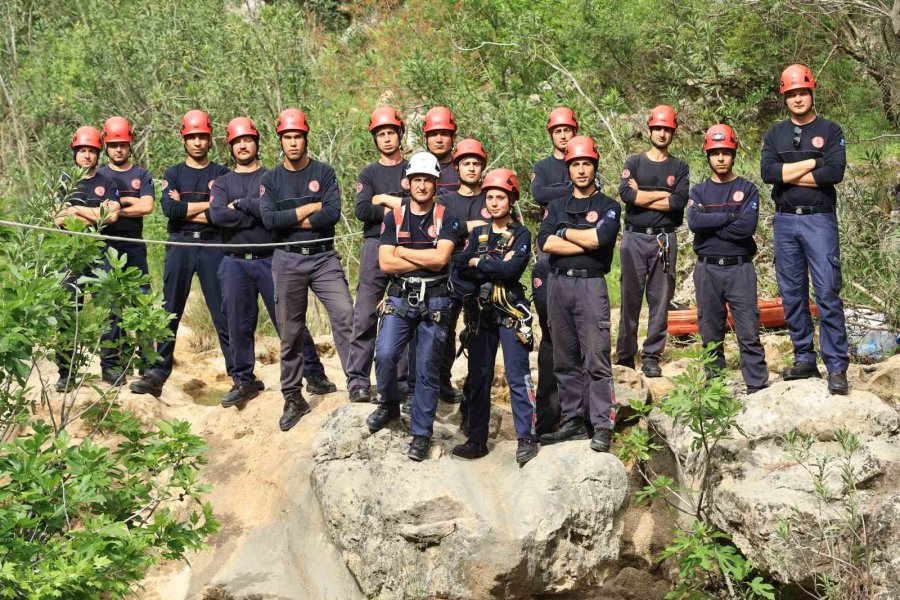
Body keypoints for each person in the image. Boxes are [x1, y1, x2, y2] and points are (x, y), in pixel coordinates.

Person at [209, 116, 335, 408]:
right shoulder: (223, 182)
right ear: (230, 146)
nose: (243, 145)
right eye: (237, 141)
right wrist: (261, 214)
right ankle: (244, 381)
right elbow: (218, 216)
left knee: (289, 321)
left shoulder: (272, 178)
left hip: (271, 258)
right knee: (237, 323)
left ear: (257, 143)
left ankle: (314, 373)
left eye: (248, 140)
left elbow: (274, 219)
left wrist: (248, 209)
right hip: (234, 261)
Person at [260, 108, 355, 431]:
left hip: (323, 257)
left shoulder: (324, 173)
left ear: (305, 138)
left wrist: (293, 219)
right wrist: (310, 208)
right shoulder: (271, 179)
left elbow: (332, 214)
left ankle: (356, 382)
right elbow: (270, 221)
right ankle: (292, 396)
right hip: (287, 259)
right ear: (280, 140)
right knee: (290, 330)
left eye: (297, 136)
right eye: (287, 137)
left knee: (345, 314)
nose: (293, 142)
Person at [129, 110, 232, 398]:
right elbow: (170, 210)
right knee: (170, 309)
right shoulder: (173, 173)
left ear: (210, 139)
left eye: (202, 137)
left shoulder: (222, 174)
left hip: (213, 245)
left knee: (222, 311)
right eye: (192, 137)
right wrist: (208, 205)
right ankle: (156, 374)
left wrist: (189, 208)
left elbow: (223, 213)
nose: (197, 142)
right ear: (183, 139)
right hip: (180, 244)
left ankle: (239, 374)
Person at [760, 64, 849, 394]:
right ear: (784, 97)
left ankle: (836, 366)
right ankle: (804, 359)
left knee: (826, 291)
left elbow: (834, 173)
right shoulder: (775, 133)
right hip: (785, 220)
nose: (797, 99)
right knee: (792, 293)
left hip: (819, 219)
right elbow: (768, 173)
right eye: (791, 94)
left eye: (802, 92)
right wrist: (814, 162)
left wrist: (788, 173)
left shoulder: (830, 130)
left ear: (812, 92)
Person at [365, 152, 458, 461]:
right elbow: (385, 262)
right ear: (408, 183)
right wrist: (421, 258)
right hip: (400, 296)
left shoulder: (446, 217)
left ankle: (421, 433)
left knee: (427, 368)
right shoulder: (394, 217)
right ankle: (389, 403)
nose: (422, 185)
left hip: (435, 298)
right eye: (417, 180)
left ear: (435, 183)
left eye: (427, 180)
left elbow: (440, 259)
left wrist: (403, 252)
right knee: (385, 354)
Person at [537, 136, 621, 453]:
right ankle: (573, 420)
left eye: (586, 163)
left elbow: (602, 239)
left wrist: (565, 232)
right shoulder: (557, 205)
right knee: (564, 357)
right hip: (558, 285)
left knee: (596, 358)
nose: (581, 170)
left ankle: (601, 424)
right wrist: (584, 240)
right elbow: (546, 242)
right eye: (575, 164)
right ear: (568, 168)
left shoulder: (608, 206)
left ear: (594, 166)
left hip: (590, 285)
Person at [452, 168, 538, 465]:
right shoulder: (478, 233)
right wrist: (491, 264)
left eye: (500, 197)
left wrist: (480, 262)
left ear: (511, 199)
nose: (494, 202)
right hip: (480, 312)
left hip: (510, 312)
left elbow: (512, 271)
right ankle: (476, 439)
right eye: (489, 197)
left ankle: (526, 437)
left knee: (517, 375)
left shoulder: (521, 234)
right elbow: (460, 268)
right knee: (479, 375)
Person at [687, 124, 768, 394]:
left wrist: (711, 223)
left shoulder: (747, 188)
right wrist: (731, 216)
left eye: (725, 152)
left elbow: (746, 228)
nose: (720, 158)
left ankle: (756, 385)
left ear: (733, 154)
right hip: (707, 269)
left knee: (748, 330)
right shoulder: (698, 191)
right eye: (715, 153)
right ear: (707, 156)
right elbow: (694, 222)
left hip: (740, 269)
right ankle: (715, 388)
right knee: (710, 332)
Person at [616, 105, 689, 377]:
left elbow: (679, 201)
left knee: (660, 300)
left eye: (667, 129)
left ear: (673, 133)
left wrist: (643, 196)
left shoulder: (679, 166)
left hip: (664, 239)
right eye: (657, 128)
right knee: (630, 299)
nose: (661, 133)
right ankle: (625, 356)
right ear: (649, 130)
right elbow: (627, 194)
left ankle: (651, 356)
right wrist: (663, 196)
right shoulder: (634, 162)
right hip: (634, 237)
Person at [346, 107, 410, 403]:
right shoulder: (369, 173)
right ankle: (358, 380)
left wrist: (383, 199)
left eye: (390, 133)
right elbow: (362, 209)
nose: (386, 138)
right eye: (380, 134)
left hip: (409, 246)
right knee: (365, 312)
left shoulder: (412, 169)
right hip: (375, 244)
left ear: (400, 134)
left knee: (406, 310)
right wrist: (399, 207)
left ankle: (403, 379)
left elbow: (420, 204)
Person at [53, 126, 122, 392]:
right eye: (82, 150)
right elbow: (57, 218)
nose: (87, 155)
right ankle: (66, 372)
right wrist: (94, 214)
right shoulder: (64, 182)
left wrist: (76, 210)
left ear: (98, 154)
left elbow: (111, 217)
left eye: (91, 151)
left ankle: (110, 367)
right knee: (67, 310)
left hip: (100, 251)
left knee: (109, 308)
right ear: (75, 152)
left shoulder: (108, 183)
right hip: (70, 253)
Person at [530, 107, 578, 434]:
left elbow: (593, 193)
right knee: (549, 331)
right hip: (548, 252)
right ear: (551, 134)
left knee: (578, 331)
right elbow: (538, 193)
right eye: (558, 131)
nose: (563, 135)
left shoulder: (583, 159)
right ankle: (547, 417)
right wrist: (572, 189)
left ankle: (578, 415)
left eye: (567, 130)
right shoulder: (543, 167)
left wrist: (561, 190)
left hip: (580, 252)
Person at [98, 116, 154, 383]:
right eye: (113, 145)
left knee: (141, 301)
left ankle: (147, 363)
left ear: (130, 144)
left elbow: (148, 206)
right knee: (111, 305)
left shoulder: (141, 174)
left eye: (122, 144)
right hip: (106, 245)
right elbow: (97, 211)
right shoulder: (99, 175)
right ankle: (111, 365)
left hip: (134, 245)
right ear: (106, 146)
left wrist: (117, 207)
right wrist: (131, 203)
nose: (118, 149)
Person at [435, 138, 490, 407]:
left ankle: (475, 388)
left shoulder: (491, 197)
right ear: (456, 167)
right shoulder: (444, 200)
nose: (471, 168)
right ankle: (442, 381)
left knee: (479, 332)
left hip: (483, 270)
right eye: (466, 163)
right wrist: (473, 225)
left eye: (475, 163)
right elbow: (438, 229)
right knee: (444, 328)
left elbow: (503, 229)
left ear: (482, 167)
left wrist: (458, 228)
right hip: (450, 269)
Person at [423, 106, 459, 196]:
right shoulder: (416, 168)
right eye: (433, 134)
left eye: (444, 134)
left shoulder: (463, 168)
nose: (439, 140)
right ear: (425, 139)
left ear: (453, 138)